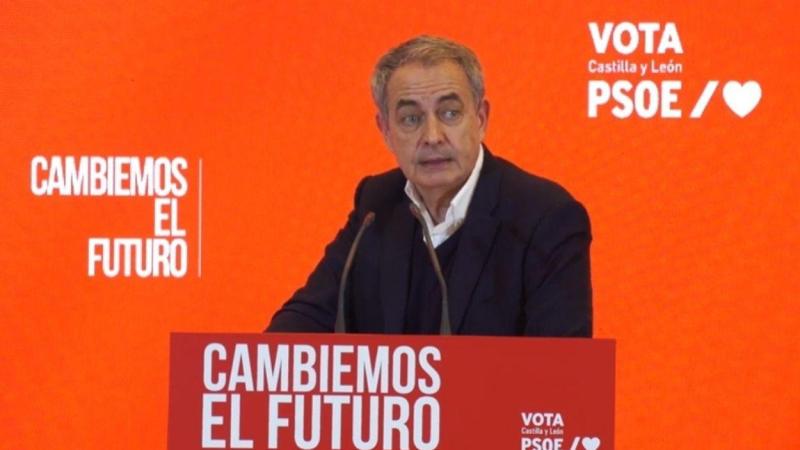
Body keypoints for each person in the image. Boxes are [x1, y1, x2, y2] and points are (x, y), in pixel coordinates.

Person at [267, 35, 592, 336]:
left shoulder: (545, 217)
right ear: (385, 130)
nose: (432, 136)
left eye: (450, 113)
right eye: (411, 119)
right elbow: (304, 320)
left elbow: (562, 366)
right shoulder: (376, 206)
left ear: (481, 118)